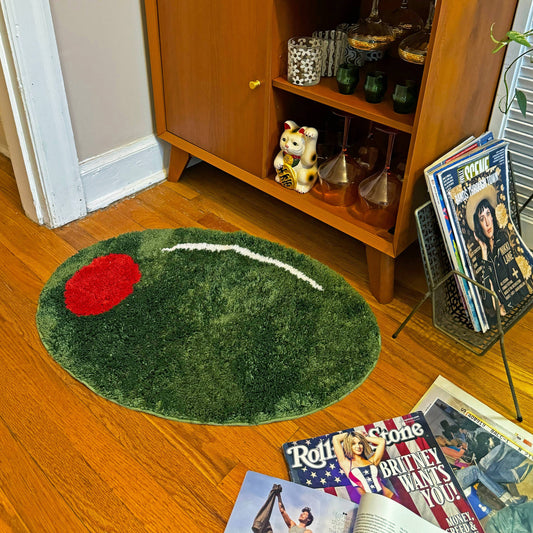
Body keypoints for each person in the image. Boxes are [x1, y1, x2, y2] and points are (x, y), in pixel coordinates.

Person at [469, 190, 529, 323]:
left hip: (517, 306)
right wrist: (484, 251)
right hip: (500, 316)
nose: (487, 223)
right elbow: (487, 299)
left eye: (488, 214)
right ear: (479, 224)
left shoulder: (502, 238)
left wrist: (505, 307)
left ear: (493, 216)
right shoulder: (485, 254)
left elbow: (519, 282)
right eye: (481, 218)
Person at [332, 431, 394, 498]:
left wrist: (363, 437)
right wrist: (355, 433)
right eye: (353, 444)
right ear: (349, 446)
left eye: (360, 443)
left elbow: (382, 441)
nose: (358, 446)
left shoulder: (372, 461)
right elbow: (335, 438)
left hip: (390, 497)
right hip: (371, 502)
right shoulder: (346, 464)